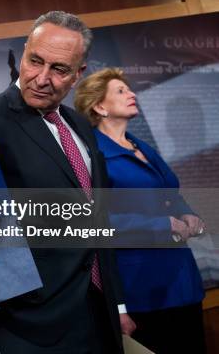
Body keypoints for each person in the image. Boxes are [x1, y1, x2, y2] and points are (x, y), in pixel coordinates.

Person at [0, 11, 132, 353]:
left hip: (100, 312)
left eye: (59, 69)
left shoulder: (79, 126)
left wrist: (117, 302)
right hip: (32, 325)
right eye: (35, 61)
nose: (41, 78)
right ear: (24, 52)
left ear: (78, 74)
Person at [74, 68, 206, 353]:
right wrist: (162, 225)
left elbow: (168, 193)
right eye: (120, 91)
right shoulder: (92, 156)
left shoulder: (140, 145)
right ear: (99, 106)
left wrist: (187, 214)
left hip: (182, 279)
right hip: (141, 289)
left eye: (129, 89)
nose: (132, 94)